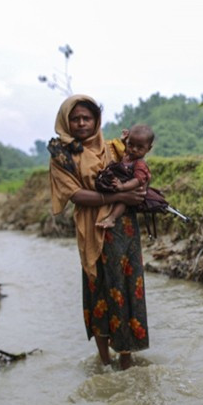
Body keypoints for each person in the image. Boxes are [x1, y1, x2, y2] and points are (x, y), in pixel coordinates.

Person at [48, 94, 150, 371]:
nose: (81, 123)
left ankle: (126, 360)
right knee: (99, 290)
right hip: (92, 229)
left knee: (128, 289)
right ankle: (105, 361)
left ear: (96, 121)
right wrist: (118, 198)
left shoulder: (114, 149)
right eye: (75, 118)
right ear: (66, 121)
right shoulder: (63, 157)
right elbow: (75, 194)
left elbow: (139, 168)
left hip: (124, 229)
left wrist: (133, 193)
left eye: (87, 118)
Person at [95, 124, 154, 229]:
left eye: (140, 147)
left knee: (122, 201)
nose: (134, 149)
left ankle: (111, 219)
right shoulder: (129, 156)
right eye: (131, 145)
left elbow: (138, 180)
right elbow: (124, 150)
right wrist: (123, 140)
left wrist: (123, 187)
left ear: (148, 149)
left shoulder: (140, 163)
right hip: (124, 186)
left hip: (131, 190)